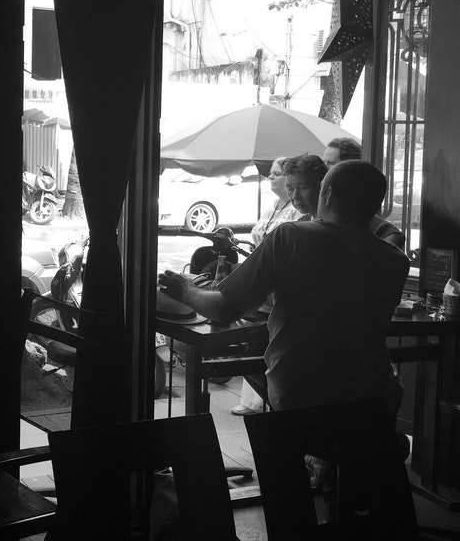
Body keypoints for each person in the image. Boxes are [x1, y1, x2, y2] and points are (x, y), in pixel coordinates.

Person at [158, 159, 409, 415]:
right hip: (374, 394)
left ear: (328, 193)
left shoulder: (291, 237)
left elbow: (224, 309)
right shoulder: (396, 260)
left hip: (303, 393)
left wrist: (185, 289)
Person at [230, 156, 306, 416]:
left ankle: (281, 405)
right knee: (252, 349)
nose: (270, 177)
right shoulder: (272, 206)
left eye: (276, 173)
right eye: (270, 173)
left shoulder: (301, 212)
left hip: (280, 294)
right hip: (262, 289)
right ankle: (272, 402)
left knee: (262, 350)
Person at [321, 137, 406, 249]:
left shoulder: (386, 233)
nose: (324, 168)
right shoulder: (310, 218)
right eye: (324, 163)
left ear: (351, 166)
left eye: (330, 163)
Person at [281, 153, 327, 220]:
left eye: (302, 188)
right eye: (290, 189)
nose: (295, 196)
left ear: (322, 187)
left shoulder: (336, 223)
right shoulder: (302, 221)